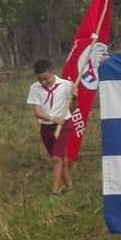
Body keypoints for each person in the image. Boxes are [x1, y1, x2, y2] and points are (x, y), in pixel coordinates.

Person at [26, 59, 76, 198]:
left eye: (46, 79)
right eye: (40, 79)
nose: (43, 82)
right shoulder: (34, 88)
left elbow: (72, 109)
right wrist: (52, 118)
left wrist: (75, 99)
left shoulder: (67, 85)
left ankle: (55, 192)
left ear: (52, 72)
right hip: (46, 127)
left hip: (64, 124)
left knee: (56, 158)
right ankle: (69, 187)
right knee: (61, 158)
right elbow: (37, 112)